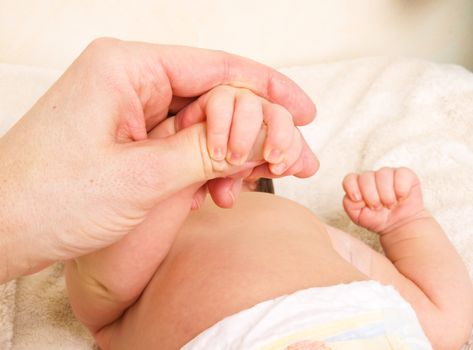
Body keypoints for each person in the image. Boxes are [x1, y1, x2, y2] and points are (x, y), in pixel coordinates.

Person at [66, 86, 473, 350]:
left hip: (375, 330)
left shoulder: (295, 220)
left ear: (254, 178)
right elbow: (104, 285)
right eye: (170, 130)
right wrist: (165, 175)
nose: (200, 138)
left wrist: (406, 226)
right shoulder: (116, 234)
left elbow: (442, 318)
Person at [0, 38, 319, 284]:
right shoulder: (113, 240)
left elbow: (370, 278)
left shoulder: (305, 225)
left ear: (249, 176)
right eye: (161, 140)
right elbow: (104, 289)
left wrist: (372, 230)